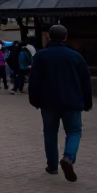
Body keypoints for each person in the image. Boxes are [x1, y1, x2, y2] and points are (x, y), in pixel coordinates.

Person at [28, 24, 92, 182]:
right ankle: (68, 158)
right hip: (72, 101)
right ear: (65, 37)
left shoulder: (41, 56)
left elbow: (34, 81)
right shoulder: (76, 56)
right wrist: (87, 102)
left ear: (49, 36)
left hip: (48, 102)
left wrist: (34, 99)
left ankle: (52, 165)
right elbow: (86, 81)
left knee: (50, 133)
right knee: (74, 132)